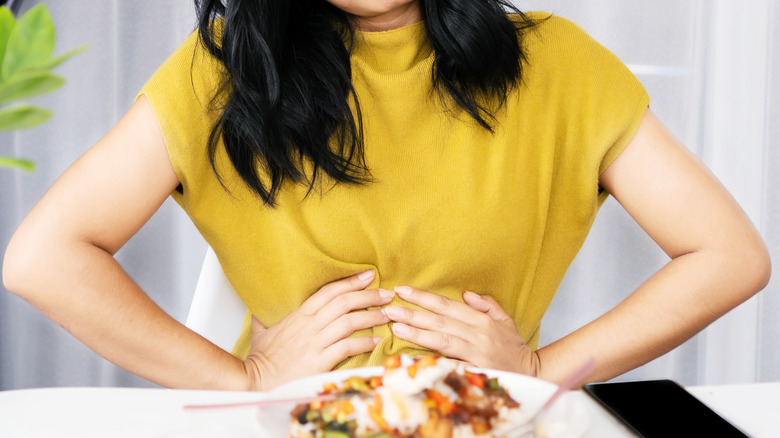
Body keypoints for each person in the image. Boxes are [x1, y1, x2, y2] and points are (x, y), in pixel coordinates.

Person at [1, 0, 770, 392]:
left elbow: (730, 255)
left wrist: (545, 368)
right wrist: (244, 378)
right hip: (292, 426)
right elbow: (43, 259)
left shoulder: (559, 64)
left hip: (482, 422)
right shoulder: (226, 71)